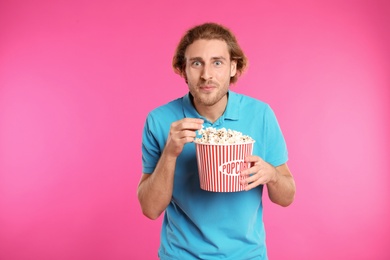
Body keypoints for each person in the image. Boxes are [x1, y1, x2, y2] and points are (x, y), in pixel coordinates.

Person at [138, 22, 296, 259]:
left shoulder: (260, 115)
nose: (206, 75)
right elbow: (150, 209)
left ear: (233, 67)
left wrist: (272, 175)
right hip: (181, 255)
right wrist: (170, 153)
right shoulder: (160, 121)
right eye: (196, 63)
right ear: (183, 69)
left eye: (217, 62)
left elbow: (287, 197)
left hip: (247, 255)